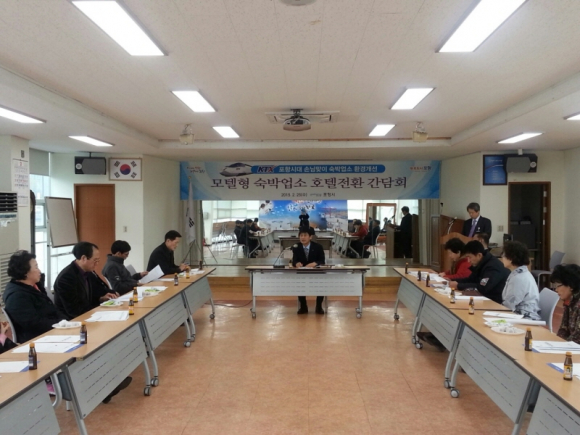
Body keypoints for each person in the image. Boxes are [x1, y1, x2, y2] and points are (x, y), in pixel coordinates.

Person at [3, 250, 65, 343]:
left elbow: (52, 309)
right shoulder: (16, 296)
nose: (39, 271)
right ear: (25, 272)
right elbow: (33, 324)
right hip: (36, 339)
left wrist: (64, 321)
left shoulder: (34, 285)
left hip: (52, 328)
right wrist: (60, 324)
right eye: (36, 267)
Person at [54, 242, 118, 320]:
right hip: (72, 321)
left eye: (98, 260)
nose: (97, 264)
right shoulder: (66, 277)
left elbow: (89, 298)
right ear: (84, 258)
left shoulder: (88, 272)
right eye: (95, 260)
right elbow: (74, 310)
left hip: (88, 315)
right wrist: (99, 311)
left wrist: (101, 299)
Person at [500, 241, 541, 319]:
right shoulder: (519, 273)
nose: (502, 258)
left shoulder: (519, 278)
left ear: (511, 258)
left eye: (504, 255)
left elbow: (509, 305)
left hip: (525, 318)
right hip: (519, 314)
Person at [292, 227, 326, 314]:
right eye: (301, 235)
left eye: (305, 235)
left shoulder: (318, 247)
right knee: (300, 285)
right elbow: (294, 260)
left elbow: (322, 261)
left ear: (310, 237)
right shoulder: (296, 247)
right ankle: (303, 307)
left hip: (316, 273)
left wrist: (315, 263)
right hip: (302, 273)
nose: (303, 237)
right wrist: (296, 263)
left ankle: (319, 307)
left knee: (321, 285)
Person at [551, 264, 580, 343]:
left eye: (558, 286)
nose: (556, 290)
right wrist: (558, 343)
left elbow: (577, 337)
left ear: (571, 286)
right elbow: (563, 329)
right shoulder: (569, 301)